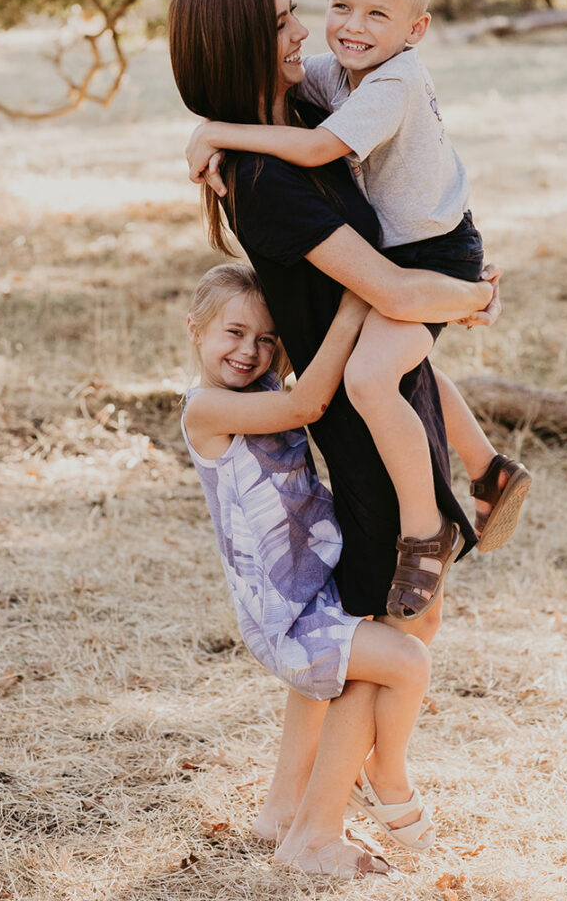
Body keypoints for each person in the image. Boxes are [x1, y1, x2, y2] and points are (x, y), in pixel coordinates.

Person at [168, 0, 499, 878]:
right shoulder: (267, 179)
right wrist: (467, 300)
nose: (305, 31)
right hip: (364, 422)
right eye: (283, 22)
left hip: (379, 396)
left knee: (365, 619)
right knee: (389, 634)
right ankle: (318, 834)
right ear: (244, 41)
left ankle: (285, 809)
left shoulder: (301, 119)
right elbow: (385, 283)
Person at [182, 0, 531, 621]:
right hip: (409, 259)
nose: (340, 28)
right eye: (338, 6)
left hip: (431, 252)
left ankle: (425, 529)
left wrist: (219, 130)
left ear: (415, 30)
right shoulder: (338, 75)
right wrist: (212, 128)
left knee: (374, 375)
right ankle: (488, 466)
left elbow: (312, 146)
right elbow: (285, 93)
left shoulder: (393, 80)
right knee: (396, 363)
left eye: (377, 15)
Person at [182, 261, 438, 877]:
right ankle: (385, 778)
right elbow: (310, 400)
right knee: (407, 663)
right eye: (234, 333)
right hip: (287, 616)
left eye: (268, 339)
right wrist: (355, 299)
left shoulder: (262, 386)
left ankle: (283, 810)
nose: (251, 351)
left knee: (357, 673)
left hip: (316, 588)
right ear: (195, 329)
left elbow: (321, 370)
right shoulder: (207, 409)